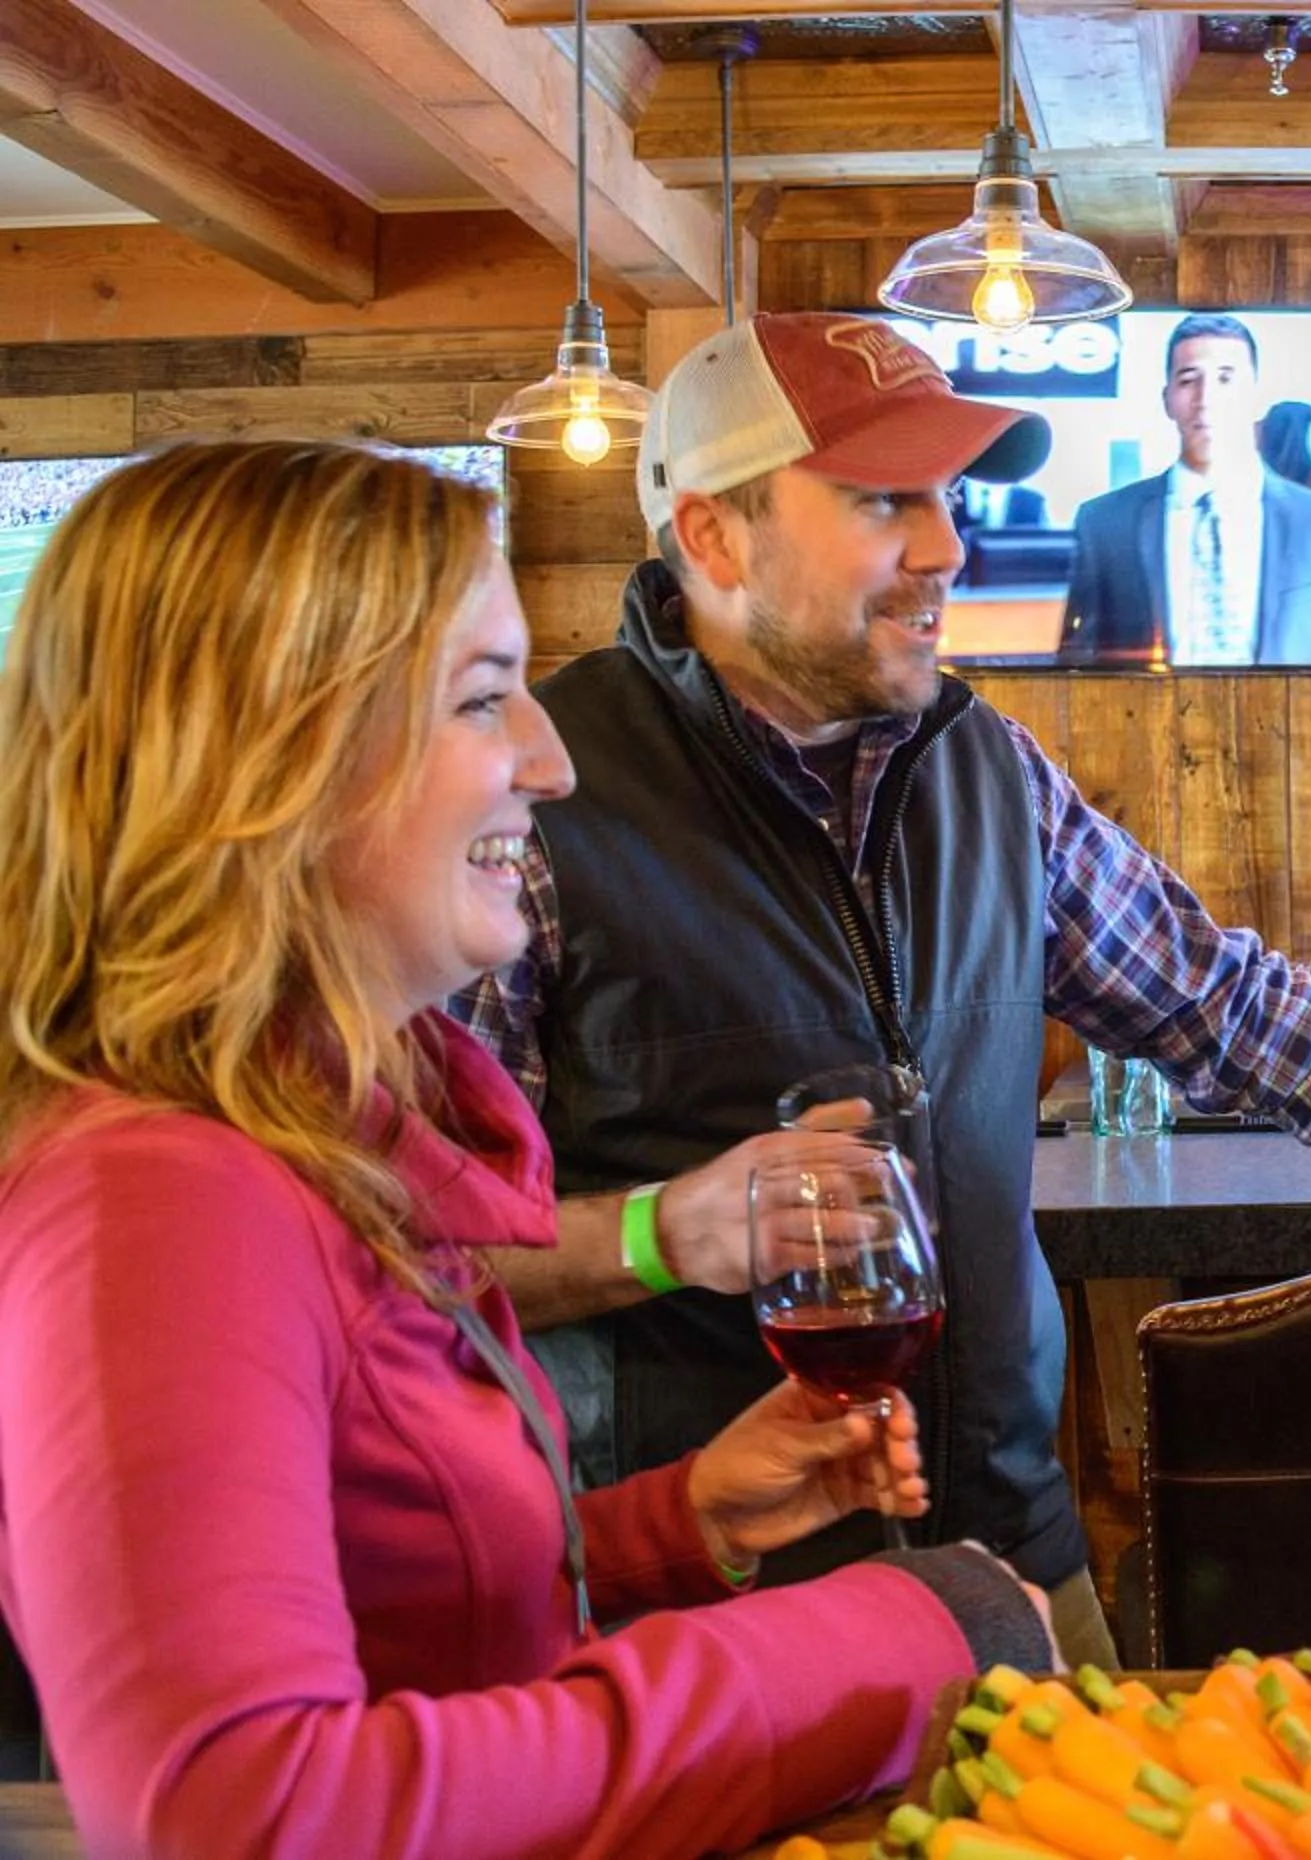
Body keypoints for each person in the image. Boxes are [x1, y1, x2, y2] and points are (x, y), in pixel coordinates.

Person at [0, 441, 1053, 1858]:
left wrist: (672, 1526)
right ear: (273, 760)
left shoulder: (300, 1137)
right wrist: (890, 1634)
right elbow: (235, 1812)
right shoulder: (157, 1193)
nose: (551, 763)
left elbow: (395, 1607)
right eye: (487, 701)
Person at [458, 311, 1311, 1670]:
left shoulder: (985, 769)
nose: (946, 547)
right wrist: (667, 1232)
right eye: (883, 500)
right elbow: (411, 1263)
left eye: (949, 497)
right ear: (717, 539)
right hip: (709, 1608)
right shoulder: (546, 802)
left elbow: (1234, 1011)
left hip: (1013, 1567)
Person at [1059, 313, 1311, 666]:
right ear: (1167, 399)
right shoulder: (1104, 522)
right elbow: (1076, 664)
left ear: (1256, 397)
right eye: (1188, 379)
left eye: (1226, 378)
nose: (1205, 398)